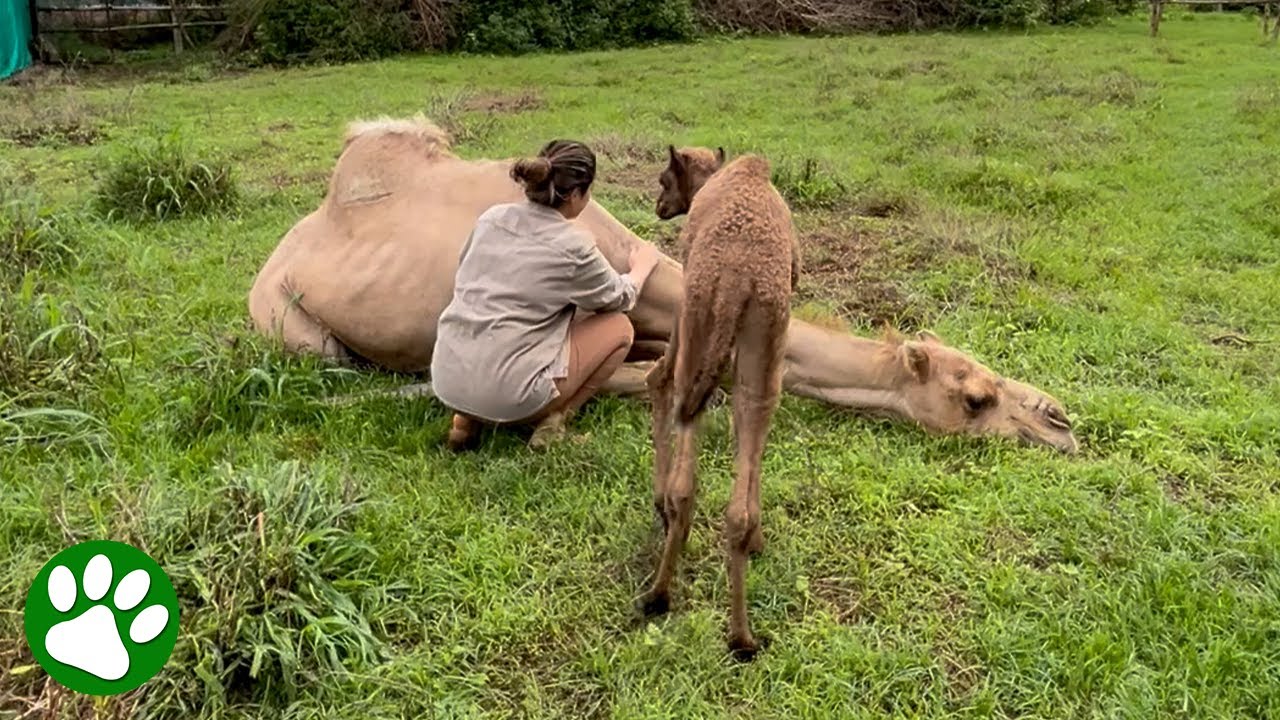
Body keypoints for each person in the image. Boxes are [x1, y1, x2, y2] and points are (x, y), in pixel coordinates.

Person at [431, 139, 661, 450]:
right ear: (578, 195)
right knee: (619, 328)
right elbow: (618, 298)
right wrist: (642, 267)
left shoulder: (491, 219)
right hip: (510, 400)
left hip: (447, 381)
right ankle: (554, 422)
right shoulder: (574, 247)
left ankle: (464, 422)